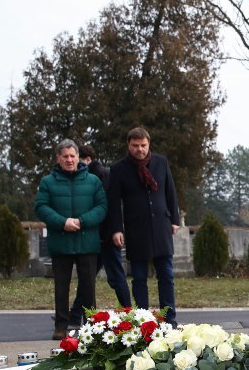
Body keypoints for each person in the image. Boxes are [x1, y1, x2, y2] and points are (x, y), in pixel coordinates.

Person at [106, 127, 180, 324]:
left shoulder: (161, 162)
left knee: (167, 275)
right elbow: (113, 202)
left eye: (143, 145)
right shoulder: (119, 168)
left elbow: (170, 192)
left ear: (149, 144)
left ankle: (169, 318)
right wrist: (116, 229)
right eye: (135, 146)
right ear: (128, 145)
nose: (140, 149)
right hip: (136, 228)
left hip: (161, 225)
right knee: (139, 277)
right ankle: (143, 319)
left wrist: (174, 220)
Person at [35, 139, 107, 340]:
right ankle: (61, 326)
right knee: (61, 287)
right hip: (61, 242)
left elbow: (102, 207)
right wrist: (62, 222)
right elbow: (41, 207)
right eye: (65, 156)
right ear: (58, 158)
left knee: (88, 287)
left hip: (87, 242)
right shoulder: (48, 182)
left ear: (78, 157)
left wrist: (82, 221)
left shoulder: (93, 181)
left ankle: (93, 326)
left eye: (72, 156)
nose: (69, 160)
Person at [69, 144, 131, 324]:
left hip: (105, 236)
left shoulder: (101, 175)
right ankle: (74, 315)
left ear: (87, 159)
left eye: (78, 159)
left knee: (116, 277)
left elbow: (109, 206)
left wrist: (114, 231)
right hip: (97, 236)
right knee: (87, 279)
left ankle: (128, 311)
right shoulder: (94, 174)